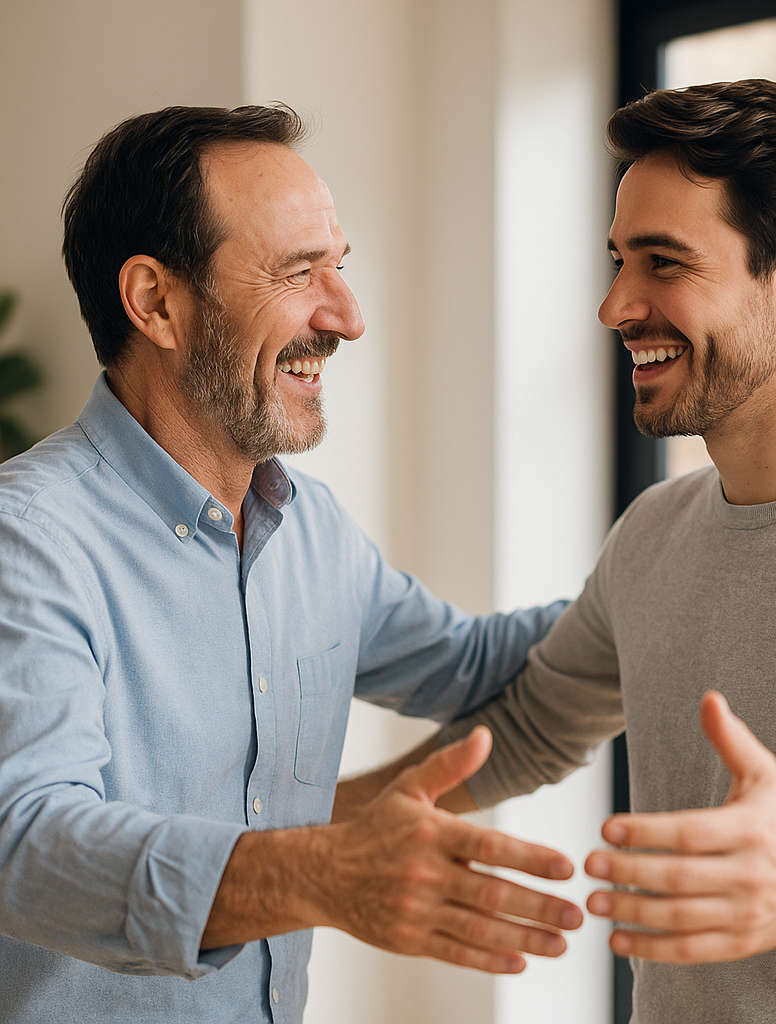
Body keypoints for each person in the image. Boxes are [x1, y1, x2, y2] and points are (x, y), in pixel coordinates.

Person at [387, 80, 776, 1022]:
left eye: (663, 263)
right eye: (618, 262)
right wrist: (292, 852)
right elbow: (524, 729)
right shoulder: (656, 533)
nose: (614, 306)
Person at [0, 104, 585, 1024]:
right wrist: (317, 872)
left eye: (339, 269)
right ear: (156, 302)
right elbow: (25, 844)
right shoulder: (28, 540)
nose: (347, 316)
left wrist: (681, 572)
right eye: (296, 273)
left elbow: (478, 670)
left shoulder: (311, 533)